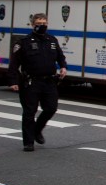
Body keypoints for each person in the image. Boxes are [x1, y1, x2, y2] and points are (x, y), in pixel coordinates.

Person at [8, 13, 67, 152]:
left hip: (49, 81)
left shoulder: (52, 40)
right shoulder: (23, 42)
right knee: (29, 112)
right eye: (39, 23)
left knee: (51, 108)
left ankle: (37, 130)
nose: (42, 26)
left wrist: (63, 66)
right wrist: (13, 81)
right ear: (32, 25)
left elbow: (60, 56)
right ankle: (28, 143)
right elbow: (14, 64)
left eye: (44, 23)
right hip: (31, 82)